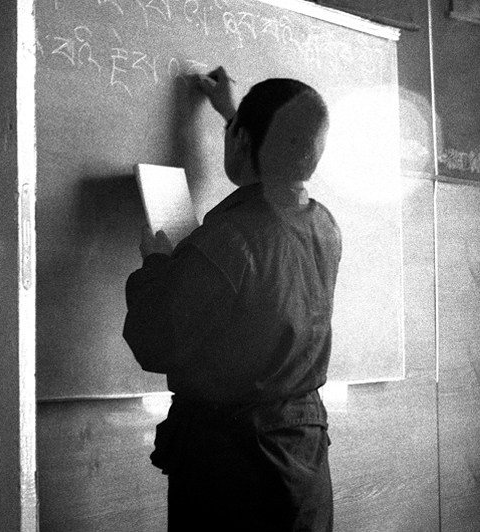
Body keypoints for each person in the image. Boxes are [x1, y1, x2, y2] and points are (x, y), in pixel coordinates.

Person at [123, 66, 341, 531]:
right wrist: (233, 115)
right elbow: (273, 168)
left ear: (243, 143)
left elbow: (154, 340)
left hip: (233, 473)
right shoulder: (323, 226)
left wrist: (158, 263)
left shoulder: (228, 238)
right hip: (301, 458)